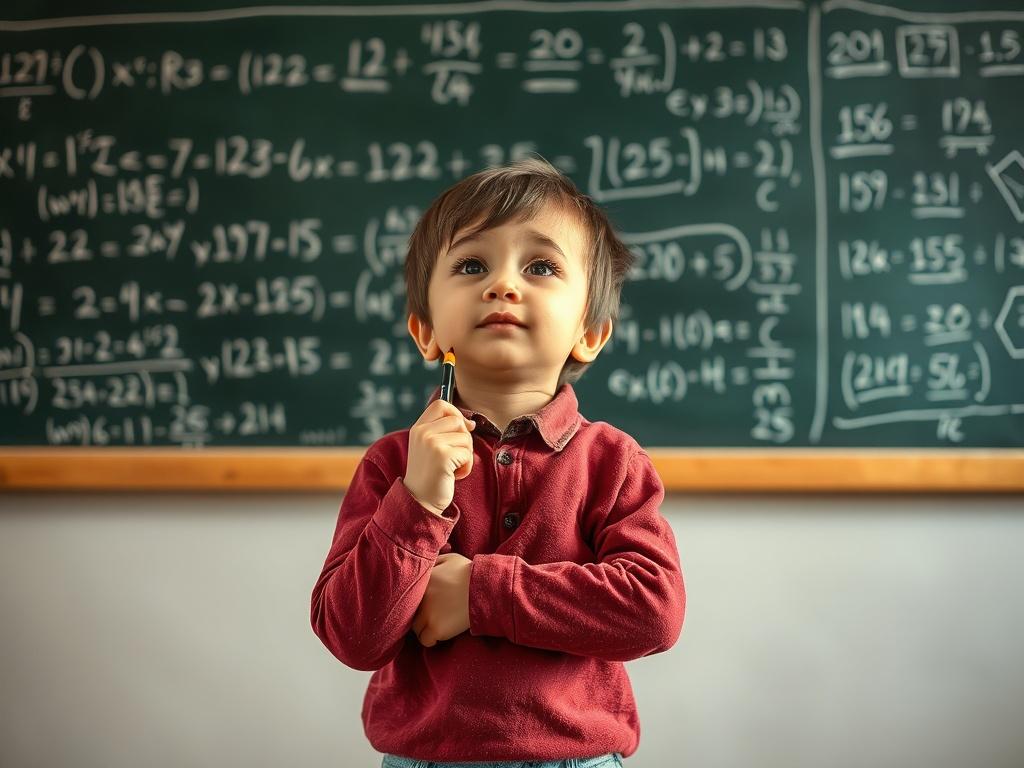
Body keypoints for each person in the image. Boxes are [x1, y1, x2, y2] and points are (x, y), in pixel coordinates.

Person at [310, 157, 685, 768]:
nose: (502, 284)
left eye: (540, 266)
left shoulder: (612, 461)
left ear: (590, 333)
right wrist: (418, 500)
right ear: (426, 331)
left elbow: (653, 609)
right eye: (470, 265)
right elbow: (352, 636)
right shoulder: (392, 464)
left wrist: (478, 592)